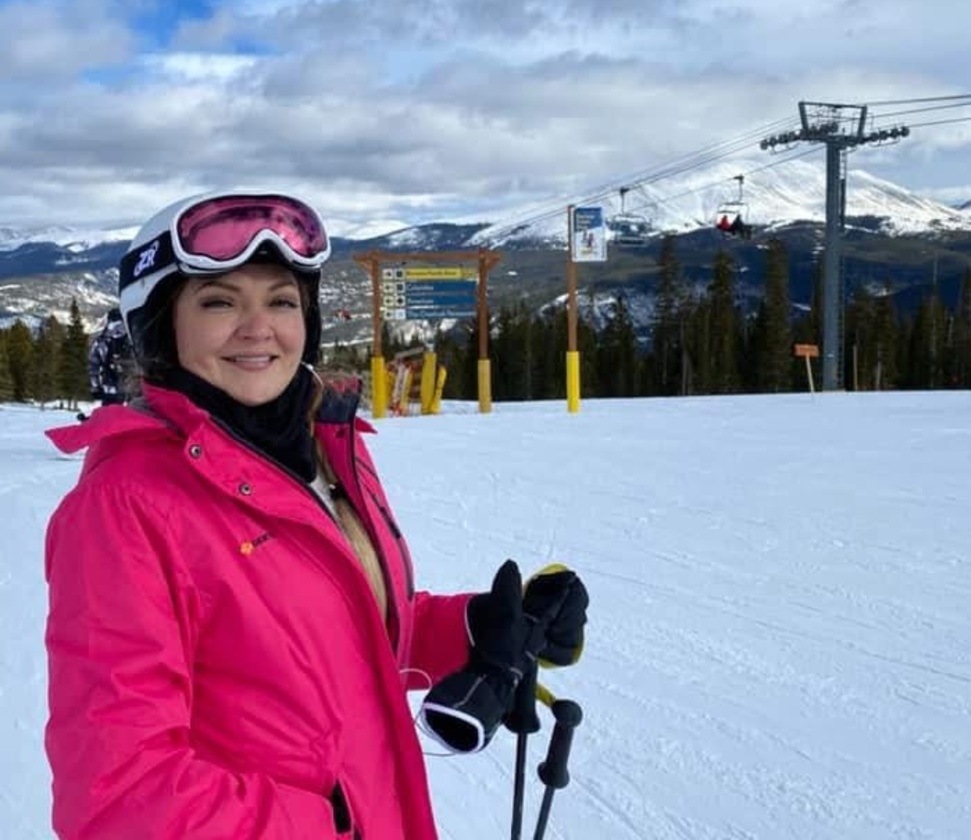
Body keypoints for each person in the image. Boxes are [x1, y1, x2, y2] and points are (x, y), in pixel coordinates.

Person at [44, 189, 588, 840]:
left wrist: (479, 627)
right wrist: (333, 823)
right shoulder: (125, 510)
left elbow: (335, 641)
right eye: (219, 301)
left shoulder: (321, 451)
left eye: (280, 299)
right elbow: (117, 800)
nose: (258, 328)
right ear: (162, 327)